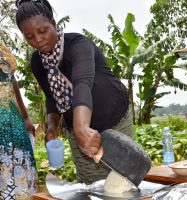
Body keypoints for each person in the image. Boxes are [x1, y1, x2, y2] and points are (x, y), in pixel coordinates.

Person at [15, 0, 133, 184]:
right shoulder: (37, 62)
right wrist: (52, 126)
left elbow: (82, 84)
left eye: (42, 31)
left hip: (114, 119)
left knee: (124, 179)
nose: (38, 40)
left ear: (53, 24)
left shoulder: (78, 45)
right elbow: (51, 98)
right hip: (78, 129)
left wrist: (81, 128)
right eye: (29, 36)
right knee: (91, 184)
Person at [0, 42, 38, 199]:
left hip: (12, 119)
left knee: (19, 176)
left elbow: (11, 80)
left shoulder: (2, 47)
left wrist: (25, 116)